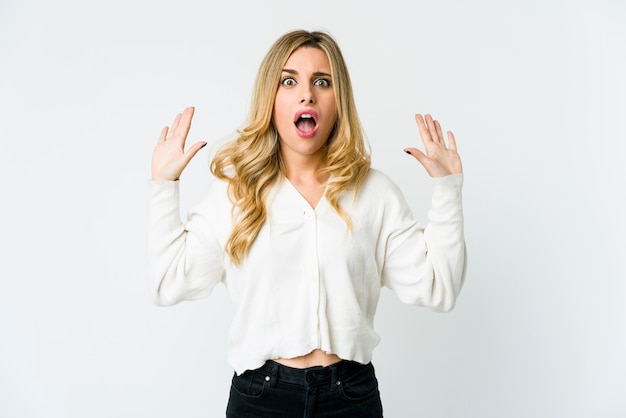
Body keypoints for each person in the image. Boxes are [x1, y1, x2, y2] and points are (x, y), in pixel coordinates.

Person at [148, 29, 466, 418]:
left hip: (350, 397)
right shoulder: (236, 194)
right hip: (260, 400)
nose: (307, 94)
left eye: (322, 81)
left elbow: (439, 288)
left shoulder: (375, 193)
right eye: (288, 80)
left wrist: (447, 189)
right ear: (272, 98)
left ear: (338, 100)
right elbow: (168, 283)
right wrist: (164, 186)